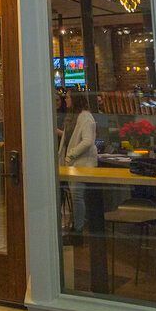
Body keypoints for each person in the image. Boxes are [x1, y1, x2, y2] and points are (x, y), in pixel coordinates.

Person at [58, 93, 98, 234]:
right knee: (75, 196)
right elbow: (69, 137)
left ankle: (78, 229)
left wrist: (71, 154)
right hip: (73, 164)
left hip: (82, 163)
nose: (66, 100)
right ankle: (76, 225)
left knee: (77, 196)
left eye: (68, 97)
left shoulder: (85, 117)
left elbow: (87, 141)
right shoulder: (72, 118)